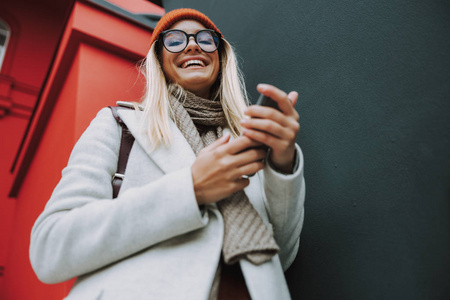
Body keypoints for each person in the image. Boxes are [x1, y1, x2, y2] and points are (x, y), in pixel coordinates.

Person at [29, 8, 305, 300]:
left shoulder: (248, 142)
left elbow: (281, 256)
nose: (192, 45)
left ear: (221, 56)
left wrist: (282, 166)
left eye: (205, 38)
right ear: (159, 61)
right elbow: (51, 247)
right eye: (174, 40)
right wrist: (191, 189)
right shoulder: (119, 125)